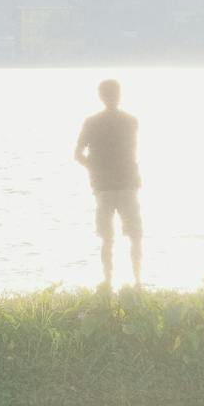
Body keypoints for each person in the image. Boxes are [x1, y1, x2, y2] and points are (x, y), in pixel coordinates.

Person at [74, 78, 141, 289]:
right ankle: (134, 281)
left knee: (111, 237)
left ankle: (112, 281)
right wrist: (96, 171)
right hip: (122, 185)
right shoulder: (130, 121)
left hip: (111, 186)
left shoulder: (94, 122)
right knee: (130, 236)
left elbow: (78, 155)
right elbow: (78, 154)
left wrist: (95, 170)